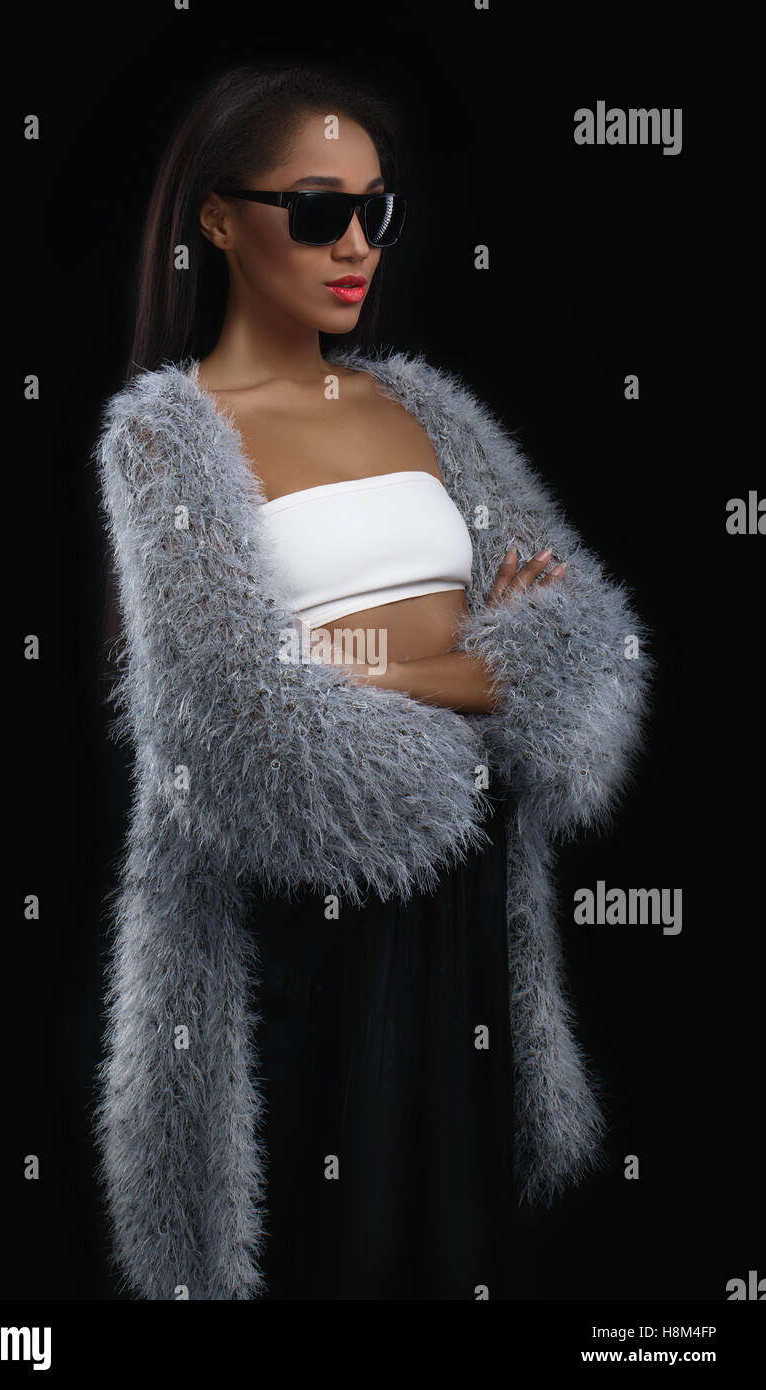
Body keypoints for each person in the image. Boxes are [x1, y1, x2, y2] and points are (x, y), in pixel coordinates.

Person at [93, 62, 654, 1301]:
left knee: (460, 1249)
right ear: (217, 217)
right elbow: (229, 723)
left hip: (469, 916)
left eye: (375, 213)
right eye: (315, 211)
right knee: (322, 1254)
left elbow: (584, 636)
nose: (355, 246)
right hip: (302, 927)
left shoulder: (422, 406)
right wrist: (480, 669)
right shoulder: (165, 436)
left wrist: (377, 665)